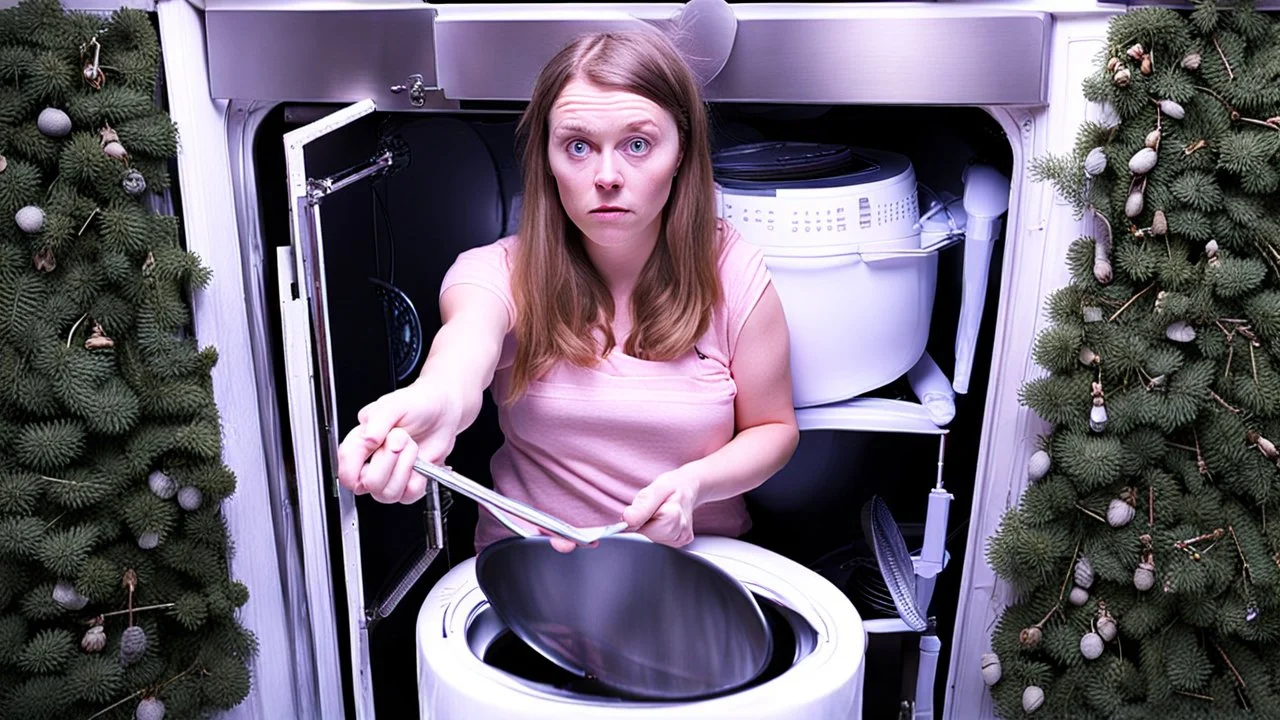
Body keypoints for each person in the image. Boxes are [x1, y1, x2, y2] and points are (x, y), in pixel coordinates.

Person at [335, 29, 798, 554]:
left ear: (681, 152)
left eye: (638, 144)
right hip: (530, 577)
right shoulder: (497, 272)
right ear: (547, 158)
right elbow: (464, 351)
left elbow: (774, 429)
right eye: (578, 146)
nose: (606, 176)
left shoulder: (731, 270)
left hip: (698, 568)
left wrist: (693, 487)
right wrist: (436, 398)